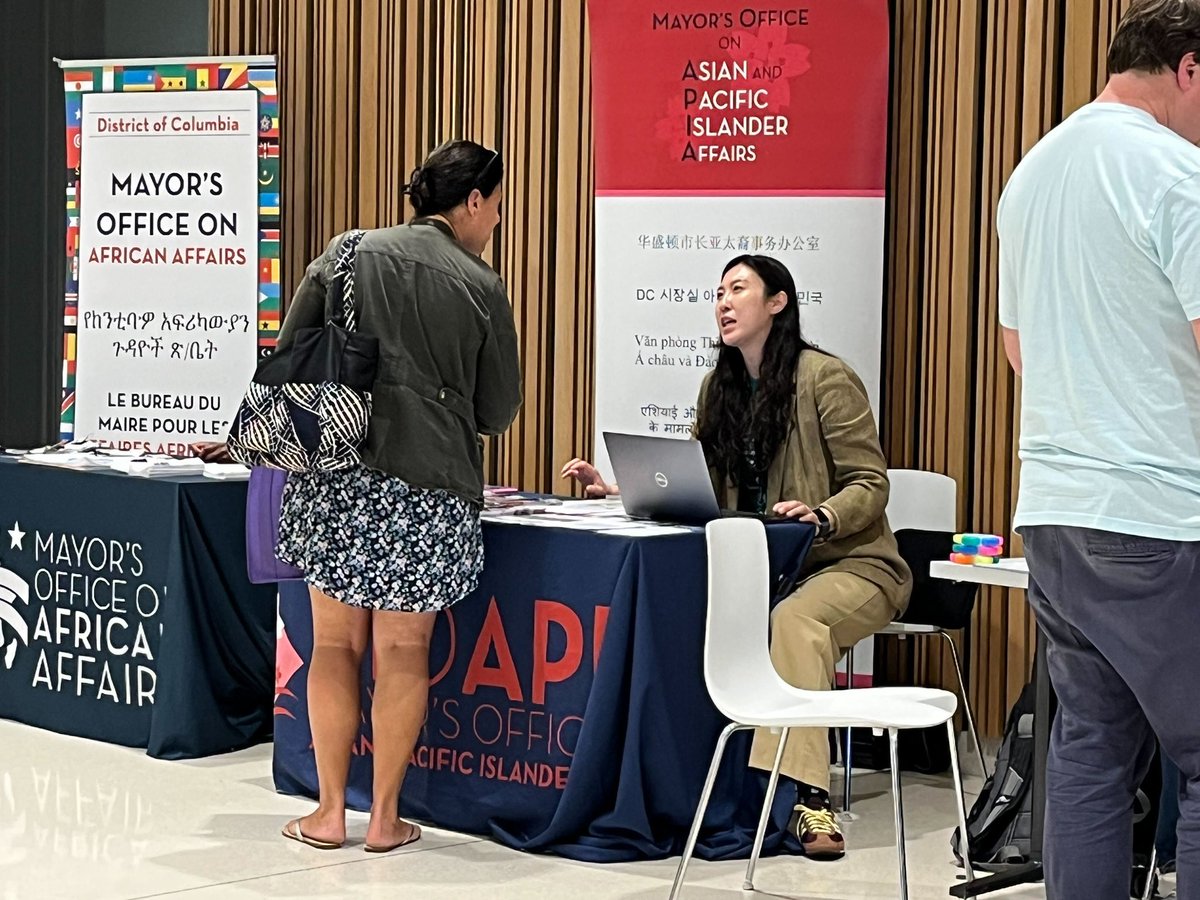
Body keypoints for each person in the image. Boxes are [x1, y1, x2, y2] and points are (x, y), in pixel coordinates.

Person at [562, 255, 911, 859]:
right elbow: (695, 480)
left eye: (738, 290)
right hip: (761, 569)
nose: (723, 302)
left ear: (777, 302)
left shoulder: (824, 378)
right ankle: (702, 786)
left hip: (850, 563)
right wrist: (622, 488)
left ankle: (805, 800)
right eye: (718, 292)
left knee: (794, 623)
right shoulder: (717, 385)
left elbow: (870, 483)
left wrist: (822, 514)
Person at [266, 140, 521, 851]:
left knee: (334, 646)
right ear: (471, 202)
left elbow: (293, 350)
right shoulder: (480, 285)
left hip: (336, 475)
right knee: (404, 651)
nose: (494, 223)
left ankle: (325, 812)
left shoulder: (346, 252)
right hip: (429, 483)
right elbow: (498, 412)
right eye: (495, 209)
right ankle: (384, 818)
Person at [997, 1, 1200, 896]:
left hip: (1053, 509)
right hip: (1159, 513)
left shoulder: (1033, 172)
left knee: (1091, 750)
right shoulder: (1173, 170)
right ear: (1191, 70)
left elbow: (1017, 348)